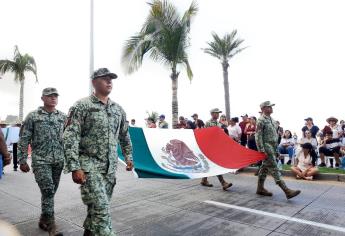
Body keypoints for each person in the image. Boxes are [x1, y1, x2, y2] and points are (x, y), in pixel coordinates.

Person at [63, 68, 133, 236]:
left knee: (96, 210)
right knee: (102, 211)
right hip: (89, 166)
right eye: (104, 78)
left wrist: (129, 156)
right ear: (94, 82)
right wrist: (75, 167)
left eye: (111, 79)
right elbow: (70, 137)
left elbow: (124, 135)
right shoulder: (82, 106)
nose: (109, 81)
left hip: (109, 170)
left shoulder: (118, 109)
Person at [18, 87, 66, 236]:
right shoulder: (33, 116)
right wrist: (22, 159)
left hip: (58, 160)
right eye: (49, 96)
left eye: (55, 96)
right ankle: (52, 227)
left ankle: (43, 219)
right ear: (42, 98)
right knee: (48, 190)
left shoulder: (63, 117)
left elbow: (70, 138)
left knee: (50, 193)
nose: (53, 98)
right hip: (41, 160)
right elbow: (24, 138)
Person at [255, 101, 301, 199]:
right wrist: (261, 150)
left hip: (272, 146)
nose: (271, 108)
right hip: (266, 147)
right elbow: (258, 136)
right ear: (263, 109)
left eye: (271, 106)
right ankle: (286, 190)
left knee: (264, 169)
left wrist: (276, 151)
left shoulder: (272, 120)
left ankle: (260, 188)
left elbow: (275, 137)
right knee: (274, 168)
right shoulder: (261, 120)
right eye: (269, 107)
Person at [200, 108, 232, 190]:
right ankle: (223, 183)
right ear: (212, 114)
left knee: (210, 164)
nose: (218, 114)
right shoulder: (208, 123)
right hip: (210, 146)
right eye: (216, 113)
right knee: (215, 164)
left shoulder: (219, 123)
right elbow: (205, 134)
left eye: (218, 113)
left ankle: (204, 180)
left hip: (217, 146)